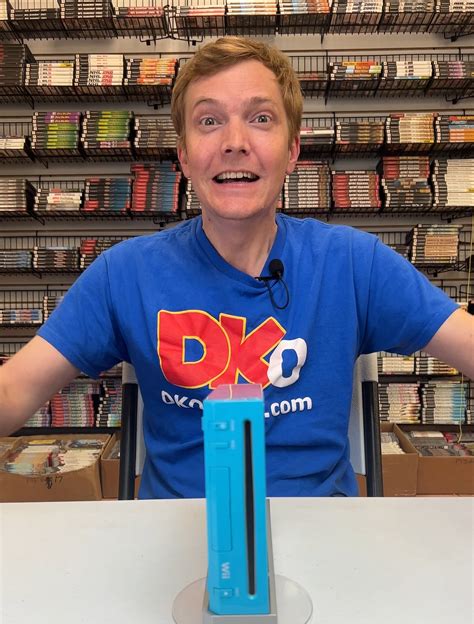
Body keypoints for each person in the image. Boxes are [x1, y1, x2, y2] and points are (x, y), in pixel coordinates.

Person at [0, 37, 472, 497]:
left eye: (260, 118)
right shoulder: (124, 274)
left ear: (292, 151)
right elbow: (12, 392)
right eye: (209, 121)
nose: (234, 142)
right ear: (184, 156)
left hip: (321, 529)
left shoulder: (353, 263)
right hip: (179, 531)